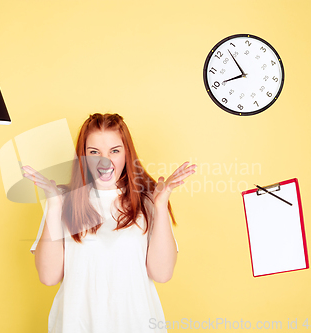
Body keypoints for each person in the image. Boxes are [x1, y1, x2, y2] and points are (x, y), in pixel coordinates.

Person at [22, 113, 196, 333]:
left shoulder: (148, 201)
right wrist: (55, 206)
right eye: (94, 152)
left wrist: (160, 207)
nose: (105, 161)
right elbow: (49, 277)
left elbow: (162, 274)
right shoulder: (63, 200)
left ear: (127, 154)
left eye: (115, 151)